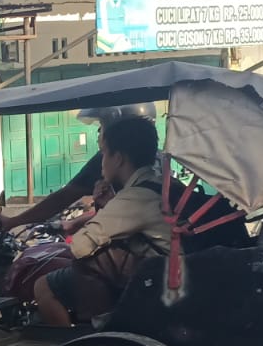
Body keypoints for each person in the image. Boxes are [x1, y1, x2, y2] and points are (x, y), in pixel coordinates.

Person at [33, 116, 171, 328]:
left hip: (156, 280)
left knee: (45, 285)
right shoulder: (160, 184)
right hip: (165, 274)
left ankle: (90, 337)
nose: (101, 161)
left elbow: (80, 247)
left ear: (119, 158)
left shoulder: (136, 196)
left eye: (104, 153)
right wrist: (108, 205)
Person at [0, 104, 158, 232]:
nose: (98, 133)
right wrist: (75, 222)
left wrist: (13, 221)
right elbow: (119, 217)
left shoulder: (115, 166)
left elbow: (63, 198)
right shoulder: (158, 162)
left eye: (102, 125)